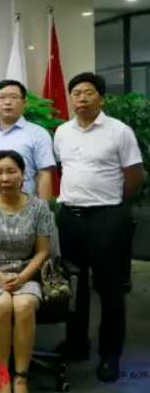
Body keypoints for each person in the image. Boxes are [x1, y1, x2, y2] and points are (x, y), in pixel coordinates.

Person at [54, 72, 144, 382]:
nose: (81, 98)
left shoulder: (119, 131)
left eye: (88, 92)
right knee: (73, 285)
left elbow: (134, 176)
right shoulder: (62, 132)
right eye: (76, 93)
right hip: (70, 217)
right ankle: (77, 343)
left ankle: (110, 354)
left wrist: (115, 207)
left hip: (107, 218)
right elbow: (64, 168)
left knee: (110, 287)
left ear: (101, 98)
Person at [0, 150, 52, 393]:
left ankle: (21, 376)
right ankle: (1, 374)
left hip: (27, 271)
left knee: (24, 305)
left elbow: (43, 251)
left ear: (23, 175)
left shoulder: (39, 207)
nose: (4, 178)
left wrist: (23, 277)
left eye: (11, 171)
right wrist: (0, 276)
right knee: (2, 304)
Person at [0, 80, 55, 199]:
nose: (7, 102)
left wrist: (43, 207)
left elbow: (44, 174)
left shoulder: (38, 134)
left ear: (24, 103)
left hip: (24, 205)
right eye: (1, 97)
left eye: (14, 97)